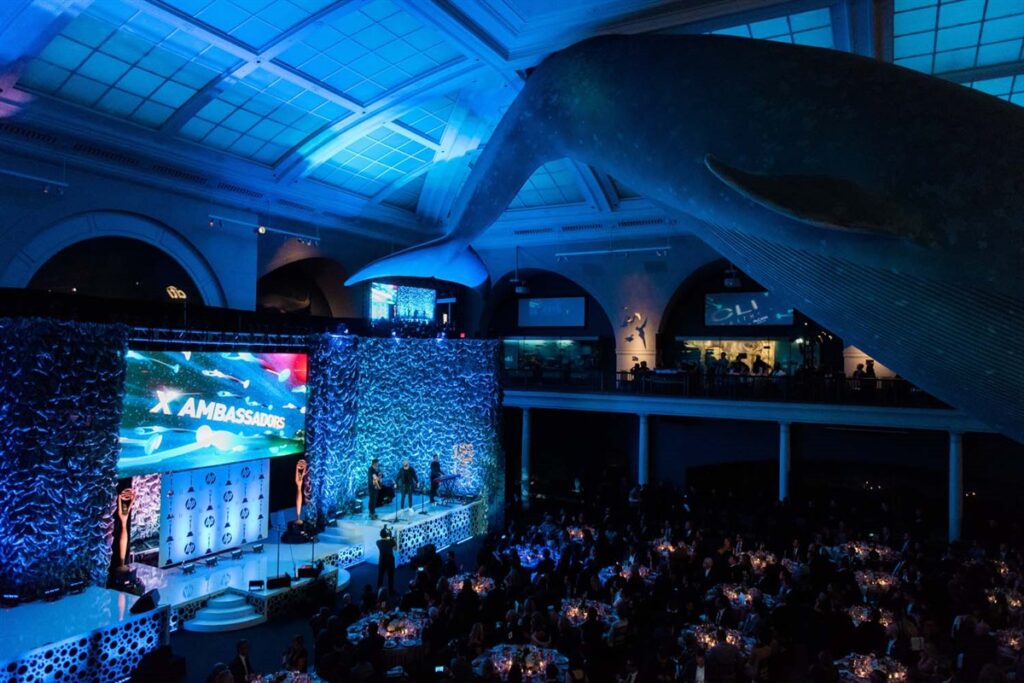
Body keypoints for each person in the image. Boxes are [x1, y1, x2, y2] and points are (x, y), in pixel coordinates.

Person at [376, 526, 397, 594]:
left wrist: (389, 538)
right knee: (390, 576)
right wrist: (392, 539)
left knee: (380, 575)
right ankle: (391, 591)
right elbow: (395, 548)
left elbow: (385, 540)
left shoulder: (378, 542)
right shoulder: (391, 541)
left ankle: (379, 590)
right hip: (390, 560)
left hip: (382, 560)